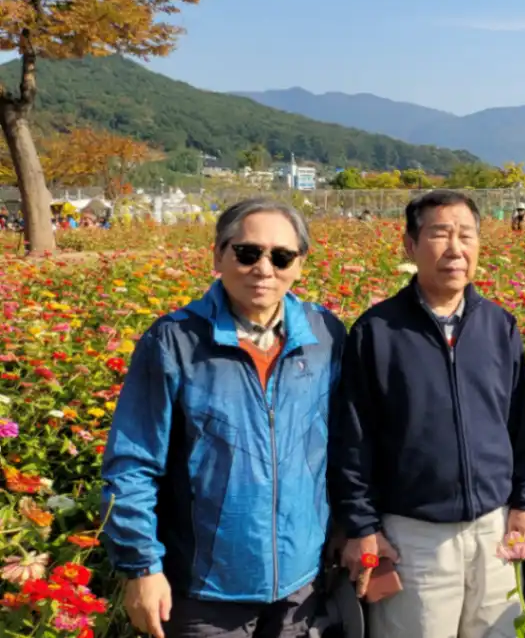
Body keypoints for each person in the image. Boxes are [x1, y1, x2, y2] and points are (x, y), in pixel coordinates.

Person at [101, 198, 344, 638]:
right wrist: (140, 566)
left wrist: (349, 528)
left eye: (282, 256)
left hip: (301, 585)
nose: (264, 268)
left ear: (300, 264)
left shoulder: (325, 335)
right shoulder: (175, 341)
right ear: (218, 255)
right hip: (206, 590)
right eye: (247, 253)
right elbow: (132, 463)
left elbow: (343, 443)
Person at [330, 190, 525, 638]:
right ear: (409, 245)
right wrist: (362, 526)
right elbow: (352, 439)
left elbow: (520, 426)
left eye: (466, 235)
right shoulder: (377, 332)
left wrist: (524, 503)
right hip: (414, 536)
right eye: (440, 234)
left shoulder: (500, 327)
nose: (455, 249)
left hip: (492, 528)